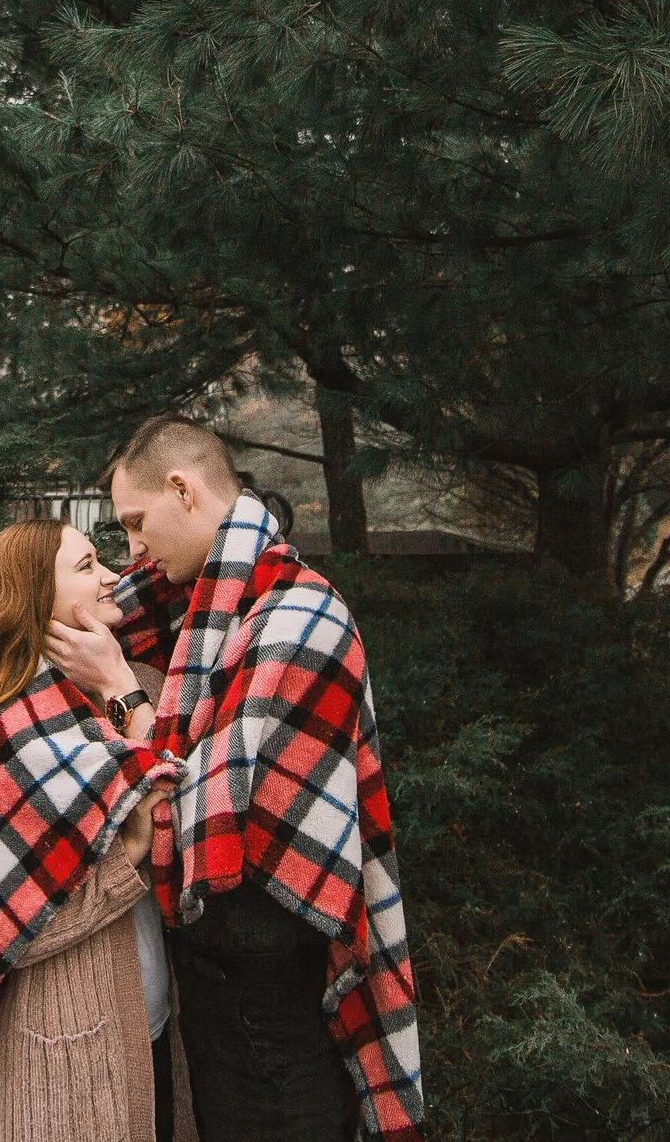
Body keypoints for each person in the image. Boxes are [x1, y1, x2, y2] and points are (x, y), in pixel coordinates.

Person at [48, 417, 423, 1141]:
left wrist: (124, 690)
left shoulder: (298, 618)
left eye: (135, 523)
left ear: (183, 489)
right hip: (217, 1004)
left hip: (273, 1015)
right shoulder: (203, 608)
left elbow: (195, 819)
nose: (134, 551)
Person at [0, 518, 200, 1142]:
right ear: (36, 597)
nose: (112, 576)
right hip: (67, 1041)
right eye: (86, 568)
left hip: (160, 1025)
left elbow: (198, 807)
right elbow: (21, 928)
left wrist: (118, 689)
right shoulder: (7, 731)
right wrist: (130, 855)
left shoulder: (130, 689)